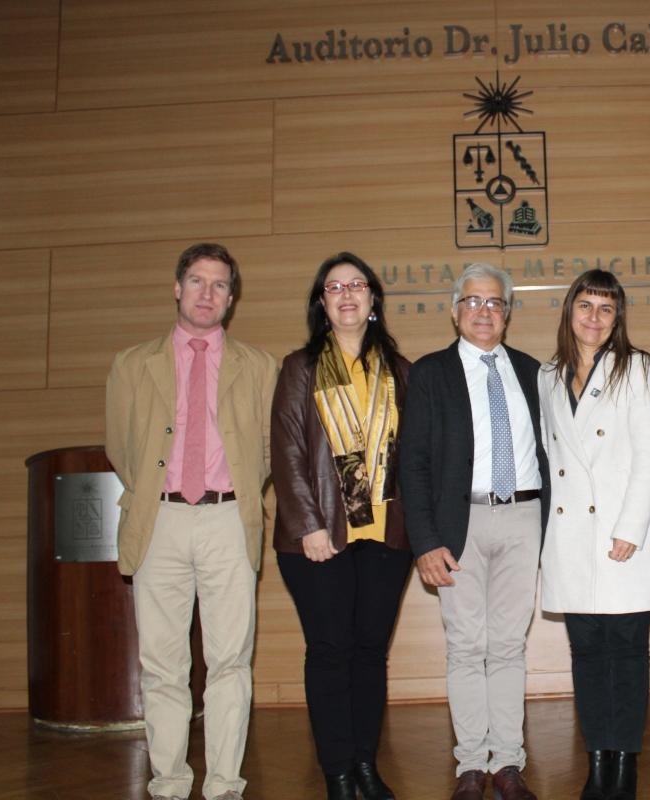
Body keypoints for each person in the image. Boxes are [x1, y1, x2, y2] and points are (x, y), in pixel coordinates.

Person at [105, 243, 278, 800]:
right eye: (198, 281)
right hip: (159, 522)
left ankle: (225, 784)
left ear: (232, 298)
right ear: (177, 288)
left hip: (230, 520)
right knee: (162, 664)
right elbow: (121, 448)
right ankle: (169, 782)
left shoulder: (260, 366)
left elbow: (269, 452)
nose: (208, 293)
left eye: (220, 285)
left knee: (230, 659)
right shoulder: (133, 364)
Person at [398, 263, 550, 800]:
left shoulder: (535, 372)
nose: (483, 312)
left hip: (523, 518)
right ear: (455, 310)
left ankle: (508, 763)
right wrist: (425, 540)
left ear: (507, 313)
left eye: (494, 303)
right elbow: (411, 464)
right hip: (456, 525)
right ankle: (469, 765)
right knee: (466, 647)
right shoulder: (430, 373)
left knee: (509, 645)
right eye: (473, 302)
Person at [271, 253, 414, 800]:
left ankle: (364, 766)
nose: (347, 294)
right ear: (322, 303)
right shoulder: (299, 368)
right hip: (319, 539)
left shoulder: (402, 371)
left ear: (374, 299)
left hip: (385, 537)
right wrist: (308, 524)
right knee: (329, 651)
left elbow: (415, 457)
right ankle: (336, 773)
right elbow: (285, 452)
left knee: (370, 653)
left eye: (357, 285)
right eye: (335, 287)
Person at [538, 270, 650, 800]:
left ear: (618, 319)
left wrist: (629, 529)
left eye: (606, 309)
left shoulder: (637, 367)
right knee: (586, 655)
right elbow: (551, 458)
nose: (594, 318)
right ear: (570, 312)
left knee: (629, 652)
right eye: (585, 306)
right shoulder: (547, 376)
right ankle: (597, 759)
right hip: (571, 539)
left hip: (623, 535)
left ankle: (625, 763)